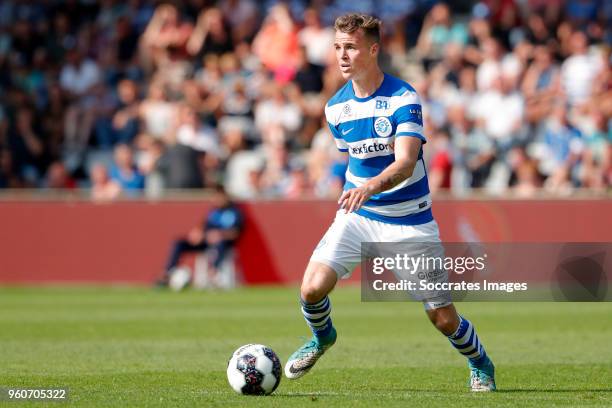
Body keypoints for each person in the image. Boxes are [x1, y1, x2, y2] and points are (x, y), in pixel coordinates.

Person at [284, 14, 496, 392]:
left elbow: (405, 162)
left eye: (350, 47)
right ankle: (322, 338)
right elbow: (355, 159)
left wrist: (369, 187)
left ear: (373, 49)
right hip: (358, 216)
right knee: (311, 289)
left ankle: (480, 362)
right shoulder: (335, 108)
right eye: (337, 47)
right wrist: (359, 192)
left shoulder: (402, 97)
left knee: (443, 319)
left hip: (409, 222)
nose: (342, 55)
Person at [157, 185, 243, 287]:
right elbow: (203, 226)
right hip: (206, 242)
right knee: (179, 243)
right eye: (214, 196)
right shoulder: (213, 212)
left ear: (225, 196)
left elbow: (236, 233)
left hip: (223, 244)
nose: (216, 199)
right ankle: (167, 274)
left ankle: (213, 274)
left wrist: (220, 235)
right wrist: (198, 233)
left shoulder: (234, 212)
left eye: (218, 196)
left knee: (220, 244)